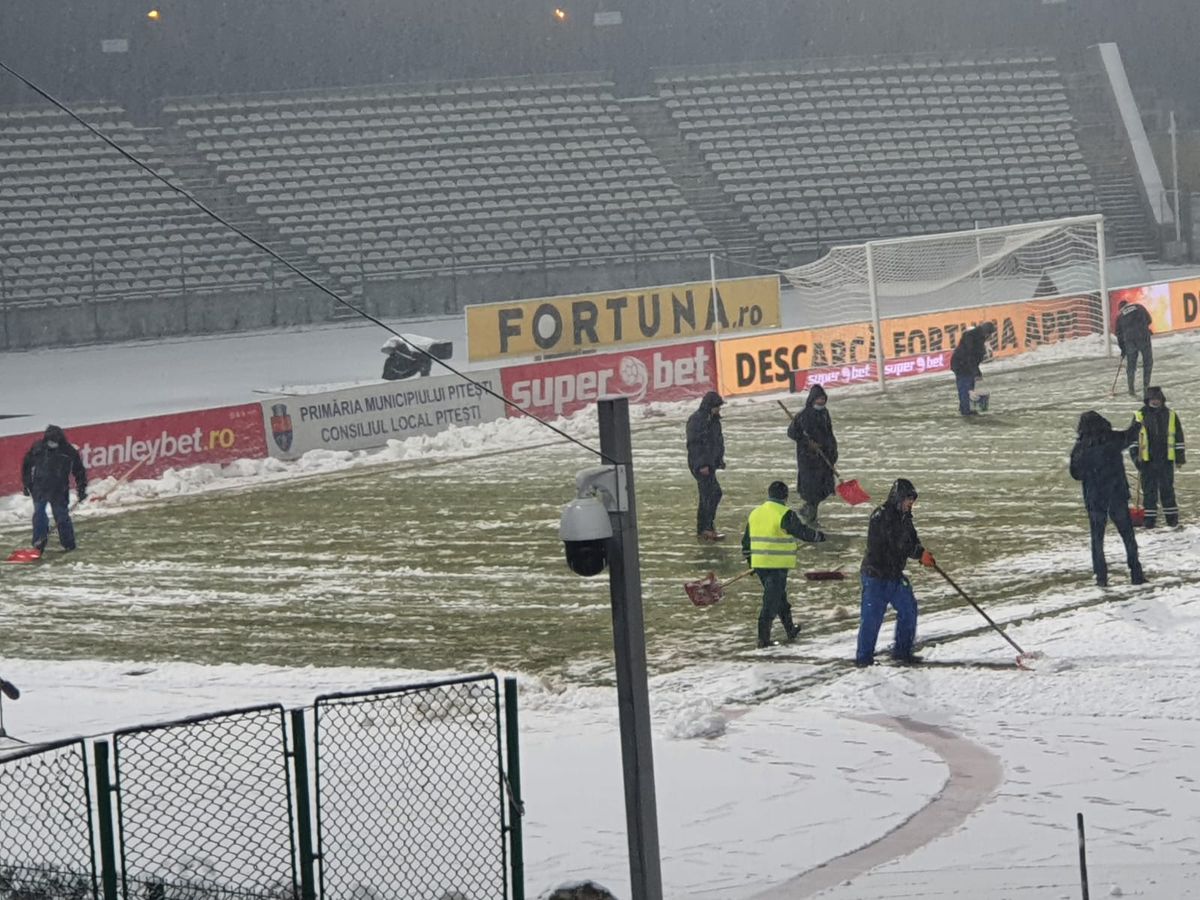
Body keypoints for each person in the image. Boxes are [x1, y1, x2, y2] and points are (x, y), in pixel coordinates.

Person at [855, 478, 935, 666]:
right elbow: (896, 544)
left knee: (909, 609)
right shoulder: (881, 516)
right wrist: (917, 553)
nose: (910, 503)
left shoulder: (905, 518)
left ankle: (902, 652)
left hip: (895, 576)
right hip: (875, 576)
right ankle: (864, 659)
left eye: (912, 500)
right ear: (898, 497)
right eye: (908, 499)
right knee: (871, 619)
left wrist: (923, 553)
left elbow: (912, 540)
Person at [742, 481, 825, 648]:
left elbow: (746, 542)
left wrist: (751, 561)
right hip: (776, 565)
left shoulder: (756, 513)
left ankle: (790, 629)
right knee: (770, 603)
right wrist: (819, 537)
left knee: (780, 598)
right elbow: (801, 532)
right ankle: (763, 640)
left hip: (760, 565)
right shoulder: (785, 514)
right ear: (785, 497)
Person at [1070, 411, 1145, 587]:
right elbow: (1130, 435)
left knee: (1097, 539)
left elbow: (1076, 474)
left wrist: (1091, 472)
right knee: (1127, 535)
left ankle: (1101, 577)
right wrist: (1137, 422)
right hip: (1116, 493)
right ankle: (1136, 573)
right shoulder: (1113, 439)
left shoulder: (1080, 447)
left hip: (1095, 497)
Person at [20, 425, 88, 556]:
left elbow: (79, 471)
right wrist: (27, 484)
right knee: (39, 515)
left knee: (61, 517)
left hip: (59, 490)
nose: (52, 444)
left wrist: (81, 489)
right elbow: (27, 466)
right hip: (39, 488)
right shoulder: (38, 448)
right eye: (50, 441)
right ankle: (38, 544)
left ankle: (69, 544)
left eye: (54, 441)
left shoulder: (68, 451)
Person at [1129, 386, 1185, 528]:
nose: (1155, 401)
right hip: (1147, 461)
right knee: (1149, 492)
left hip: (1165, 460)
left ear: (1162, 400)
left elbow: (1178, 438)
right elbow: (1133, 440)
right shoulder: (1140, 415)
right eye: (1152, 399)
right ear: (1148, 400)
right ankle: (1149, 521)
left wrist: (1179, 458)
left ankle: (1172, 520)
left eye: (1158, 399)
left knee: (1167, 490)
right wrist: (1136, 458)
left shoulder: (1171, 415)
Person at [787, 384, 837, 527]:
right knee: (813, 490)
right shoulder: (803, 415)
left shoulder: (824, 414)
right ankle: (811, 519)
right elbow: (792, 433)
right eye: (819, 399)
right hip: (809, 460)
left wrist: (833, 451)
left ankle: (807, 510)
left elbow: (829, 433)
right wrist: (807, 444)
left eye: (823, 399)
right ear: (812, 399)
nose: (821, 402)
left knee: (822, 490)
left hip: (823, 457)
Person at [686, 390, 726, 540]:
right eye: (717, 406)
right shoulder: (697, 420)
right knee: (712, 494)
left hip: (709, 464)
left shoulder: (713, 420)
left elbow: (717, 441)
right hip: (701, 466)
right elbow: (695, 445)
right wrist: (702, 464)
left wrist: (718, 460)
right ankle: (705, 528)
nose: (719, 409)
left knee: (710, 494)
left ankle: (705, 527)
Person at [950, 321, 997, 416]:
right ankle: (966, 411)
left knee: (969, 386)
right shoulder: (972, 337)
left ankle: (966, 408)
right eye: (990, 334)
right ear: (986, 333)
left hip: (966, 365)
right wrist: (976, 373)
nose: (990, 337)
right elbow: (970, 356)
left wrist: (976, 372)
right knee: (965, 387)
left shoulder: (976, 337)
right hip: (962, 366)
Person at [1115, 301, 1153, 398]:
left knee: (1131, 366)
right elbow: (1149, 320)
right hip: (1143, 337)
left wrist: (1123, 350)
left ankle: (1131, 389)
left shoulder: (1120, 316)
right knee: (1148, 363)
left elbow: (1119, 335)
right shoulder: (1140, 307)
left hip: (1130, 341)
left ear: (1121, 308)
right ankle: (1146, 387)